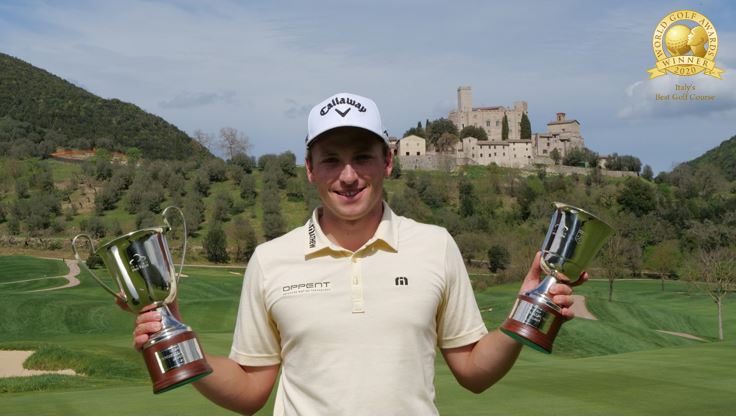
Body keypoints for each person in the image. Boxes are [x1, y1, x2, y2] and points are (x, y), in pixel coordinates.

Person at [130, 92, 583, 415]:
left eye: (362, 157)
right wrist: (175, 342)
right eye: (330, 159)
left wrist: (526, 313)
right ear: (309, 169)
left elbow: (473, 372)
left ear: (387, 161)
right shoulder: (270, 259)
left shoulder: (435, 244)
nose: (348, 175)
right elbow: (251, 392)